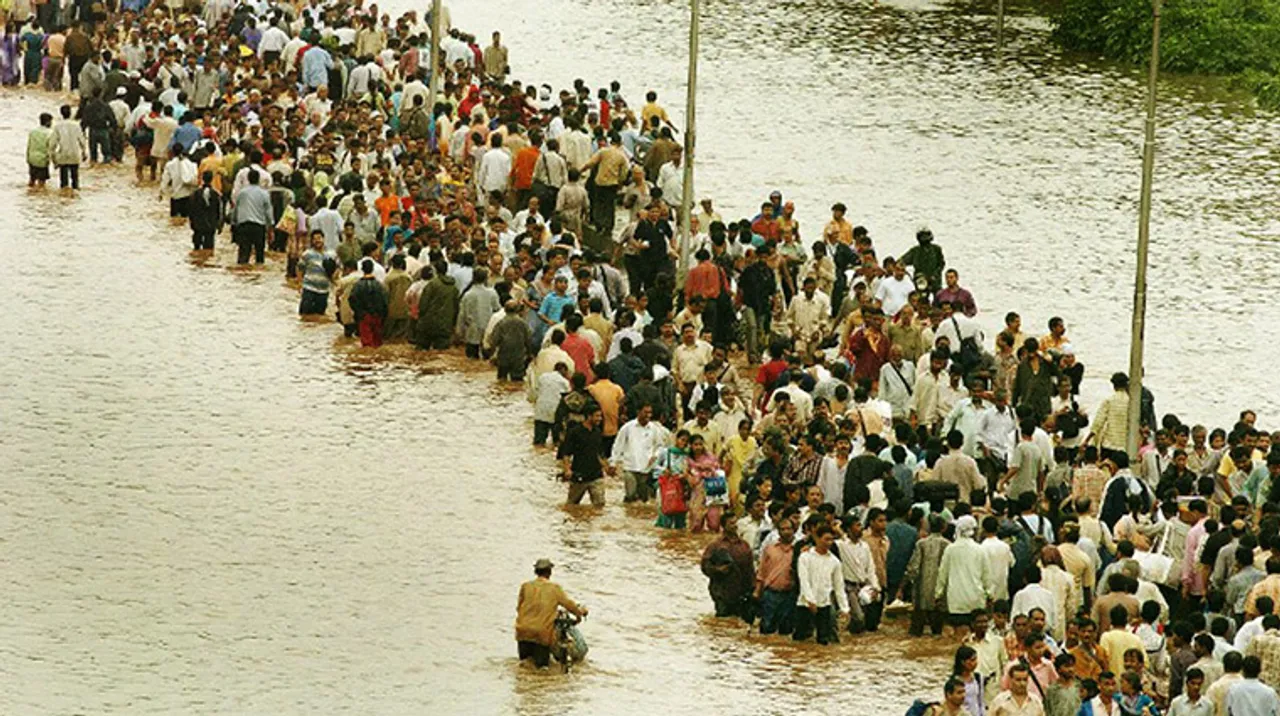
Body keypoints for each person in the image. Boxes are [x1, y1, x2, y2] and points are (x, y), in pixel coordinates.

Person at [515, 558, 587, 669]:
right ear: (549, 572)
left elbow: (519, 607)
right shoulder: (554, 588)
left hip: (523, 631)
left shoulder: (525, 586)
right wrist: (580, 612)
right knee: (542, 670)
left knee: (524, 665)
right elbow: (569, 605)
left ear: (536, 572)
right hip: (541, 634)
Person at [794, 523, 849, 645]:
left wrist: (844, 608)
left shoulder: (835, 562)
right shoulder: (805, 557)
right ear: (817, 539)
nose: (829, 543)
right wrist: (810, 600)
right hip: (804, 604)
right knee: (800, 640)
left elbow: (839, 587)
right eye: (826, 539)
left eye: (831, 540)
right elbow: (804, 581)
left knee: (823, 641)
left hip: (824, 604)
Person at [700, 512, 755, 620]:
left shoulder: (744, 545)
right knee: (723, 621)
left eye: (735, 523)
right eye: (731, 523)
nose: (734, 526)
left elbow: (750, 568)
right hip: (722, 592)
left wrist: (753, 588)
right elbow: (705, 566)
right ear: (724, 526)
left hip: (741, 591)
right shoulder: (715, 545)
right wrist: (718, 570)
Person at [559, 407, 611, 506]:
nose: (600, 419)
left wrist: (607, 467)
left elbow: (600, 453)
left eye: (600, 416)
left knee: (600, 505)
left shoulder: (598, 432)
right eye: (597, 416)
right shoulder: (575, 432)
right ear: (589, 416)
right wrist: (567, 470)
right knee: (572, 505)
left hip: (596, 475)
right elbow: (566, 453)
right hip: (579, 475)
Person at [232, 169, 273, 265]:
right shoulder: (264, 194)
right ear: (258, 179)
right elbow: (268, 212)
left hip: (244, 226)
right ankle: (257, 276)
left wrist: (233, 223)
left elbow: (236, 209)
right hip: (259, 227)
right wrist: (270, 227)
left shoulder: (241, 193)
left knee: (243, 255)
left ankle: (242, 274)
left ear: (248, 179)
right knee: (259, 256)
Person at [348, 259, 389, 347]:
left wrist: (359, 312)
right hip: (378, 315)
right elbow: (385, 300)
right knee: (378, 342)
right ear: (372, 269)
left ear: (362, 269)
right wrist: (383, 314)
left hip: (364, 316)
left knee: (367, 343)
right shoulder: (379, 285)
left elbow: (352, 300)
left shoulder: (357, 285)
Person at [48, 104, 85, 191]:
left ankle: (64, 198)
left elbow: (52, 145)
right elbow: (82, 141)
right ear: (70, 113)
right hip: (75, 155)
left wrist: (54, 160)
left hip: (63, 155)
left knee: (64, 183)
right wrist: (84, 152)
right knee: (75, 181)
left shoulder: (57, 126)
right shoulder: (76, 125)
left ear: (61, 113)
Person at [188, 171, 223, 252]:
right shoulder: (216, 194)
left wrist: (191, 222)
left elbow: (191, 210)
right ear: (211, 179)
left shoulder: (195, 194)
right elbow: (219, 211)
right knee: (209, 249)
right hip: (210, 225)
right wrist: (219, 225)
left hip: (198, 224)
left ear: (202, 179)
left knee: (196, 247)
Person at [26, 111, 52, 188]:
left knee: (32, 180)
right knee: (41, 184)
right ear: (48, 122)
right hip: (42, 160)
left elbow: (29, 146)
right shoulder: (50, 133)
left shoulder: (33, 132)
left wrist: (28, 158)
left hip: (32, 158)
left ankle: (30, 195)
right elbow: (50, 148)